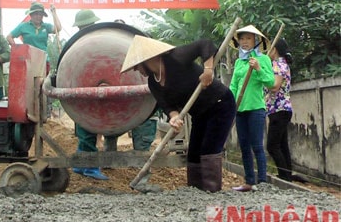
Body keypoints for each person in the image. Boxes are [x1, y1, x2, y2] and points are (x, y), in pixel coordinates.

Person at [121, 35, 236, 192]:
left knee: (209, 149)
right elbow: (167, 105)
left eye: (137, 66)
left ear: (147, 60)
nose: (136, 70)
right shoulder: (153, 82)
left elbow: (204, 43)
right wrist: (174, 117)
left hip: (220, 104)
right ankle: (194, 191)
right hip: (199, 112)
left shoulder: (176, 58)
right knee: (194, 153)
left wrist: (208, 71)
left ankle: (212, 192)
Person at [229, 25, 275, 192]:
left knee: (257, 145)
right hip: (240, 110)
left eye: (248, 38)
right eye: (242, 39)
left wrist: (258, 68)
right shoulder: (239, 62)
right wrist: (230, 104)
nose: (244, 42)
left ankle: (262, 182)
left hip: (256, 109)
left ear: (256, 40)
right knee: (244, 146)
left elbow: (270, 83)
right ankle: (249, 181)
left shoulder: (263, 60)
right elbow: (234, 85)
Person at [104, 18, 158, 152]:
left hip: (143, 106)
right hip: (114, 109)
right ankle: (109, 165)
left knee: (142, 149)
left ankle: (143, 171)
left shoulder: (144, 47)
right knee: (109, 142)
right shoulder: (102, 54)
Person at [70, 9, 108, 180]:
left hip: (86, 89)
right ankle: (91, 167)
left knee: (86, 126)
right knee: (88, 128)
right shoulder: (78, 44)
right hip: (83, 89)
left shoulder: (93, 41)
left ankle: (79, 164)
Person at [265, 38, 293, 181]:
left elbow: (275, 86)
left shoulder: (277, 65)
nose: (267, 51)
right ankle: (287, 176)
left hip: (279, 109)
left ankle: (284, 177)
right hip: (282, 109)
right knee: (282, 144)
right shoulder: (282, 64)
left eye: (269, 48)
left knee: (272, 146)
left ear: (274, 50)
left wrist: (262, 77)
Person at [6, 2, 62, 74]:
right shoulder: (23, 26)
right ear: (31, 15)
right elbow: (9, 37)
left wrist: (54, 13)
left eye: (40, 14)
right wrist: (18, 50)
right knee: (29, 83)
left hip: (43, 60)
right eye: (36, 14)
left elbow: (58, 28)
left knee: (42, 82)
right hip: (28, 60)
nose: (38, 16)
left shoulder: (46, 26)